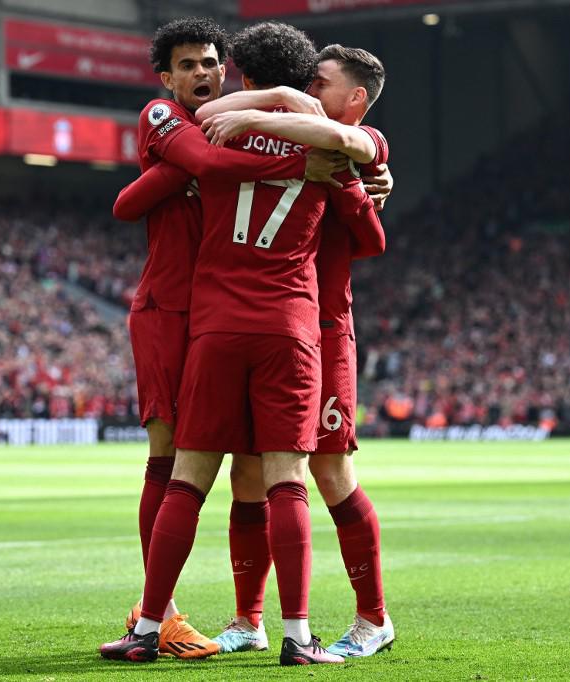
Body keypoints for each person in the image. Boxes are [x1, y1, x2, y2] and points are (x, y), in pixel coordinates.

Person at [101, 21, 385, 666]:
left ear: (238, 73)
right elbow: (372, 239)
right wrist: (334, 172)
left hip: (215, 322)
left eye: (215, 66)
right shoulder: (337, 152)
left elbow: (146, 190)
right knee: (282, 475)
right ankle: (285, 631)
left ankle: (154, 625)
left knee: (191, 474)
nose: (206, 77)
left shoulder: (211, 127)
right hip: (289, 326)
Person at [197, 44, 395, 658]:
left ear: (354, 99)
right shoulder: (303, 141)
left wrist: (358, 185)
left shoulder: (362, 145)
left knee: (330, 472)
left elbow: (371, 242)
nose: (308, 87)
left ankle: (372, 620)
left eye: (321, 81)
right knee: (248, 474)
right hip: (274, 327)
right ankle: (248, 620)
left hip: (325, 328)